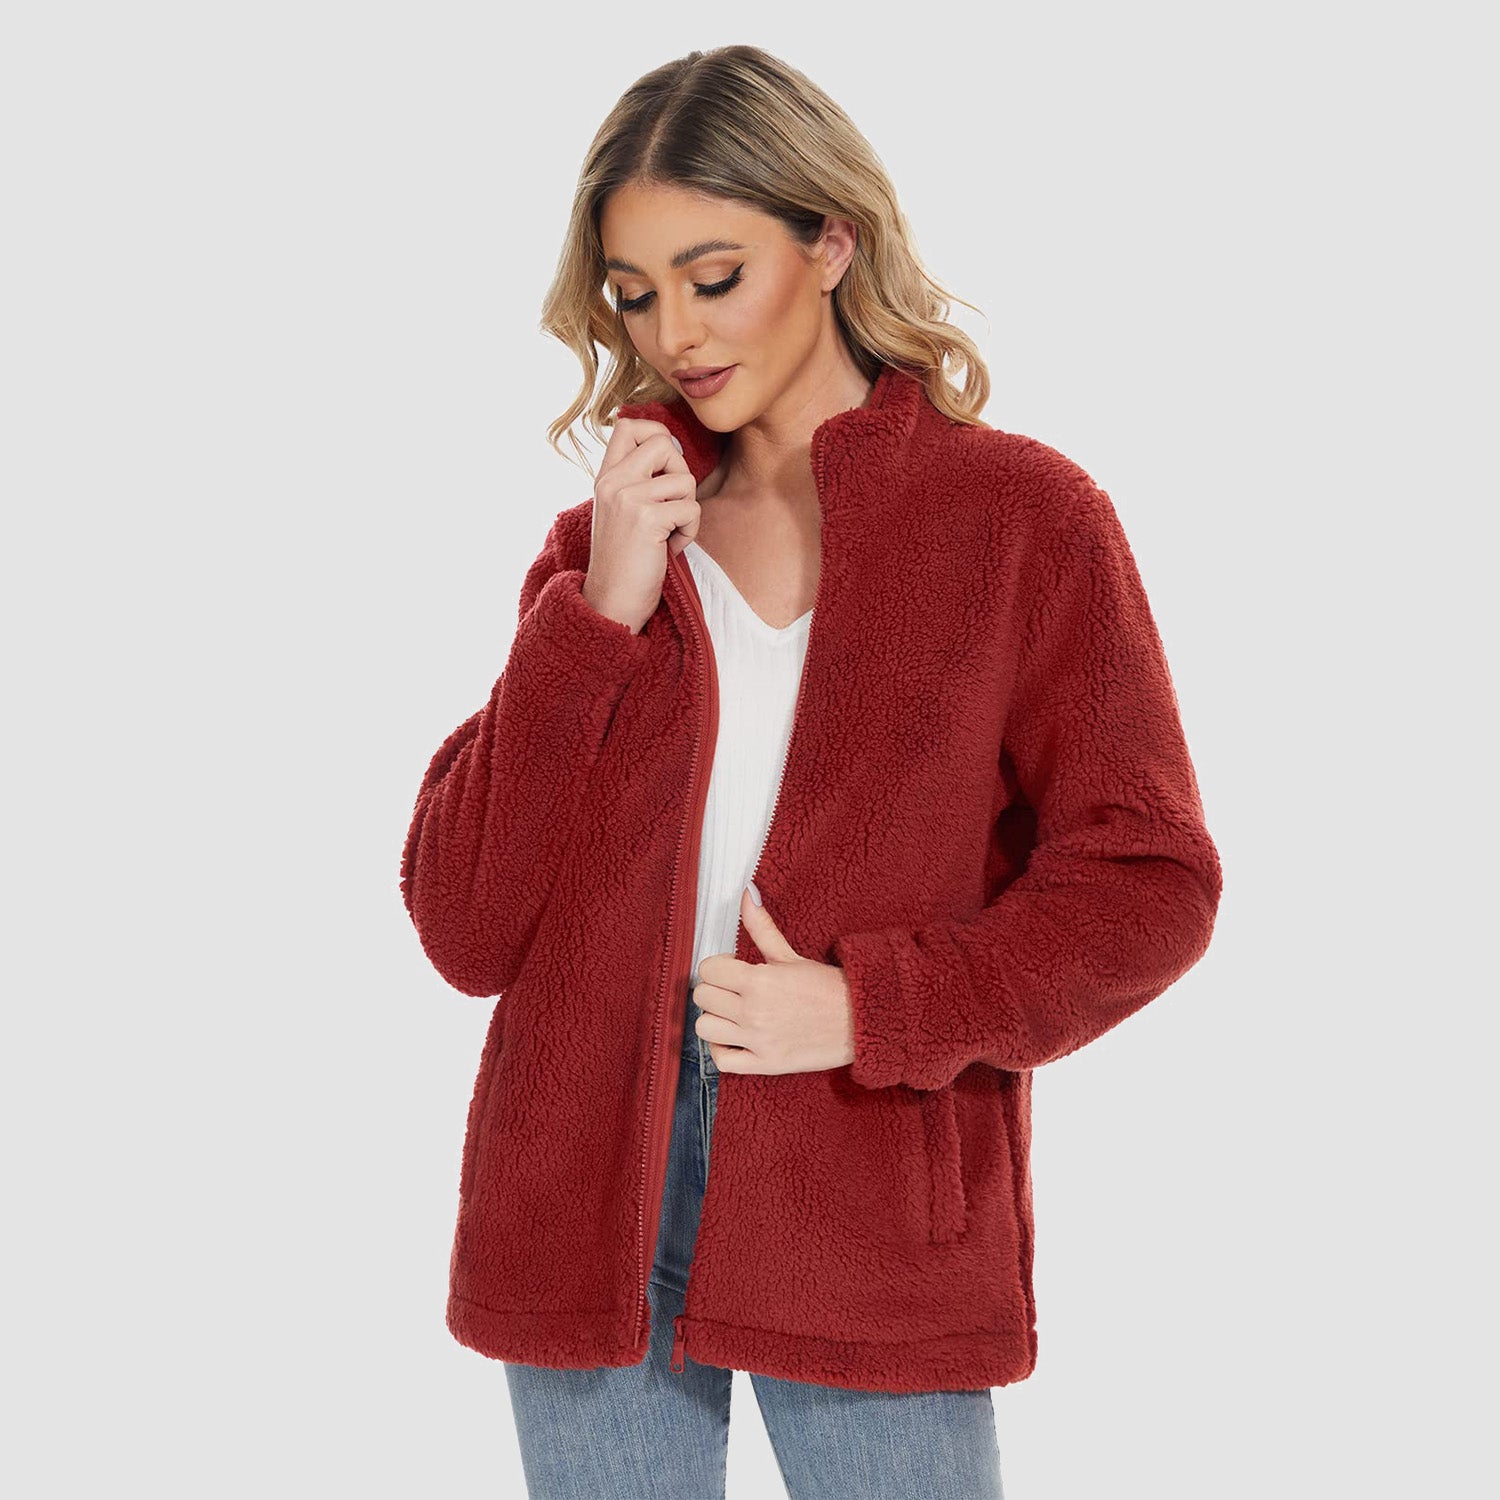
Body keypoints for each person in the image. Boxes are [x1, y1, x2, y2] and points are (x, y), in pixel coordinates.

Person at [400, 43, 1222, 1500]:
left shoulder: (1019, 519)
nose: (674, 333)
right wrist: (597, 613)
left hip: (865, 1176)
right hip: (588, 1183)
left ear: (832, 239)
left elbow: (1148, 883)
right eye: (634, 294)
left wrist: (875, 1007)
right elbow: (464, 922)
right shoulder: (605, 551)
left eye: (714, 276)